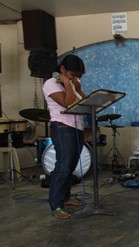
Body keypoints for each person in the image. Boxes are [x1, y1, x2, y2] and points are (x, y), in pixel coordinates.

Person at [42, 54, 86, 219]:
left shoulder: (71, 84)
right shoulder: (51, 83)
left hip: (77, 127)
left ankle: (66, 198)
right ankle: (56, 205)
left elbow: (83, 101)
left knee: (71, 165)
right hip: (62, 127)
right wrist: (67, 84)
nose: (76, 78)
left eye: (79, 76)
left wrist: (77, 87)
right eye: (73, 75)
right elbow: (68, 103)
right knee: (63, 165)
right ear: (62, 69)